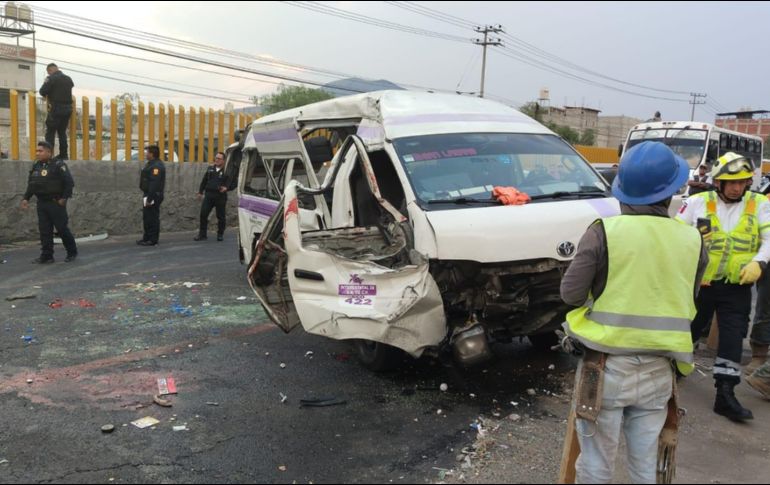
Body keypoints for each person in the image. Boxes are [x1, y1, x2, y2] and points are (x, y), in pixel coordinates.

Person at [560, 141, 707, 483]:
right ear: (671, 191)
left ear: (622, 191)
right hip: (660, 369)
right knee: (645, 467)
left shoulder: (603, 232)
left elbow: (571, 294)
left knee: (596, 465)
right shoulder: (693, 240)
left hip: (606, 369)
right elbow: (688, 297)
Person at [677, 152, 770, 422]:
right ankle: (674, 369)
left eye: (742, 182)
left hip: (736, 285)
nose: (737, 188)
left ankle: (725, 393)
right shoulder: (697, 203)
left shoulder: (760, 204)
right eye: (731, 182)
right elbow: (677, 235)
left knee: (732, 337)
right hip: (701, 284)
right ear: (718, 182)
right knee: (689, 329)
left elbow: (768, 239)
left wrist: (759, 262)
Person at [19, 141, 78, 263]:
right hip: (42, 203)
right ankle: (47, 256)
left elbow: (69, 183)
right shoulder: (36, 165)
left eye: (40, 151)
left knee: (62, 229)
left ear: (49, 152)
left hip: (55, 203)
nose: (37, 153)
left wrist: (64, 198)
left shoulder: (58, 165)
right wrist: (26, 198)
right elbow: (32, 184)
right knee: (45, 231)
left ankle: (72, 252)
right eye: (37, 151)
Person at [39, 63, 74, 160]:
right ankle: (64, 155)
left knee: (50, 133)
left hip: (56, 109)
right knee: (62, 133)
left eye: (48, 72)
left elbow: (42, 91)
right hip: (68, 109)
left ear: (50, 70)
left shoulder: (51, 78)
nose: (49, 74)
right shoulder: (68, 78)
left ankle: (48, 155)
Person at [194, 152, 230, 241]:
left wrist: (227, 188)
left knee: (220, 216)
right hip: (209, 195)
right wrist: (200, 192)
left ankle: (220, 234)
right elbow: (204, 181)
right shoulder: (210, 169)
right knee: (203, 214)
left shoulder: (227, 171)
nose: (216, 160)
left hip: (220, 196)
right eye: (216, 158)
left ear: (223, 160)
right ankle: (202, 234)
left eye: (219, 158)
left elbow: (233, 182)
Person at [137, 145, 166, 247]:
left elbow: (154, 183)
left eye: (147, 152)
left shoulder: (156, 166)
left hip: (153, 195)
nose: (146, 154)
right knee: (147, 217)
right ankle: (146, 238)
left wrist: (150, 199)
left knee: (152, 218)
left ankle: (153, 240)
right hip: (148, 194)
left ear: (152, 154)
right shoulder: (151, 163)